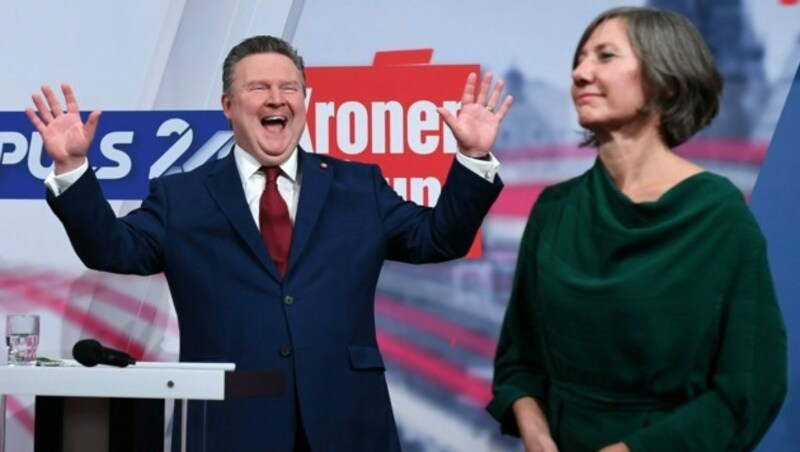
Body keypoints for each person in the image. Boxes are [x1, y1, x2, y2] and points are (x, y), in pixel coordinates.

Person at [26, 35, 512, 451]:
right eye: (258, 87)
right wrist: (73, 170)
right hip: (230, 422)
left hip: (349, 422)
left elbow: (437, 239)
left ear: (306, 99)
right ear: (228, 105)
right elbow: (114, 250)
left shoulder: (359, 187)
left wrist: (472, 158)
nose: (276, 99)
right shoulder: (183, 196)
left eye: (289, 87)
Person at [487, 7, 787, 452]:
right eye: (579, 59)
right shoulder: (554, 210)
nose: (581, 73)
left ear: (665, 81)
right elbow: (519, 362)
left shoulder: (719, 217)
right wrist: (535, 432)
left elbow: (748, 388)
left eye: (605, 56)